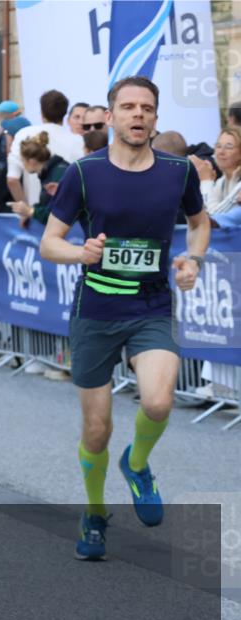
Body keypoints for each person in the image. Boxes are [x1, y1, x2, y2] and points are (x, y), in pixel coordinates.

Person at [40, 76, 210, 561]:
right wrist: (81, 252)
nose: (138, 114)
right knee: (97, 430)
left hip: (151, 305)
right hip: (96, 310)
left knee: (157, 402)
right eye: (129, 107)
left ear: (155, 118)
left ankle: (136, 466)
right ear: (111, 115)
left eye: (147, 108)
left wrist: (193, 259)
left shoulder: (178, 171)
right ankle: (95, 513)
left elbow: (199, 223)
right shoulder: (84, 172)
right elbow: (49, 243)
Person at [8, 90, 85, 206]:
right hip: (68, 212)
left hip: (33, 211)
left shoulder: (23, 134)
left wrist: (25, 209)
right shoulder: (79, 141)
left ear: (42, 112)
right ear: (65, 114)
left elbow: (12, 179)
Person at [8, 132, 69, 227]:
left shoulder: (57, 174)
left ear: (32, 161)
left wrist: (30, 211)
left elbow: (59, 214)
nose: (22, 165)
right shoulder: (49, 172)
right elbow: (47, 204)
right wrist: (30, 210)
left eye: (23, 160)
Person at [190, 127, 241, 217]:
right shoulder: (222, 181)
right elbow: (203, 212)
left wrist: (206, 181)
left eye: (229, 147)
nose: (221, 152)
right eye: (218, 146)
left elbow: (214, 216)